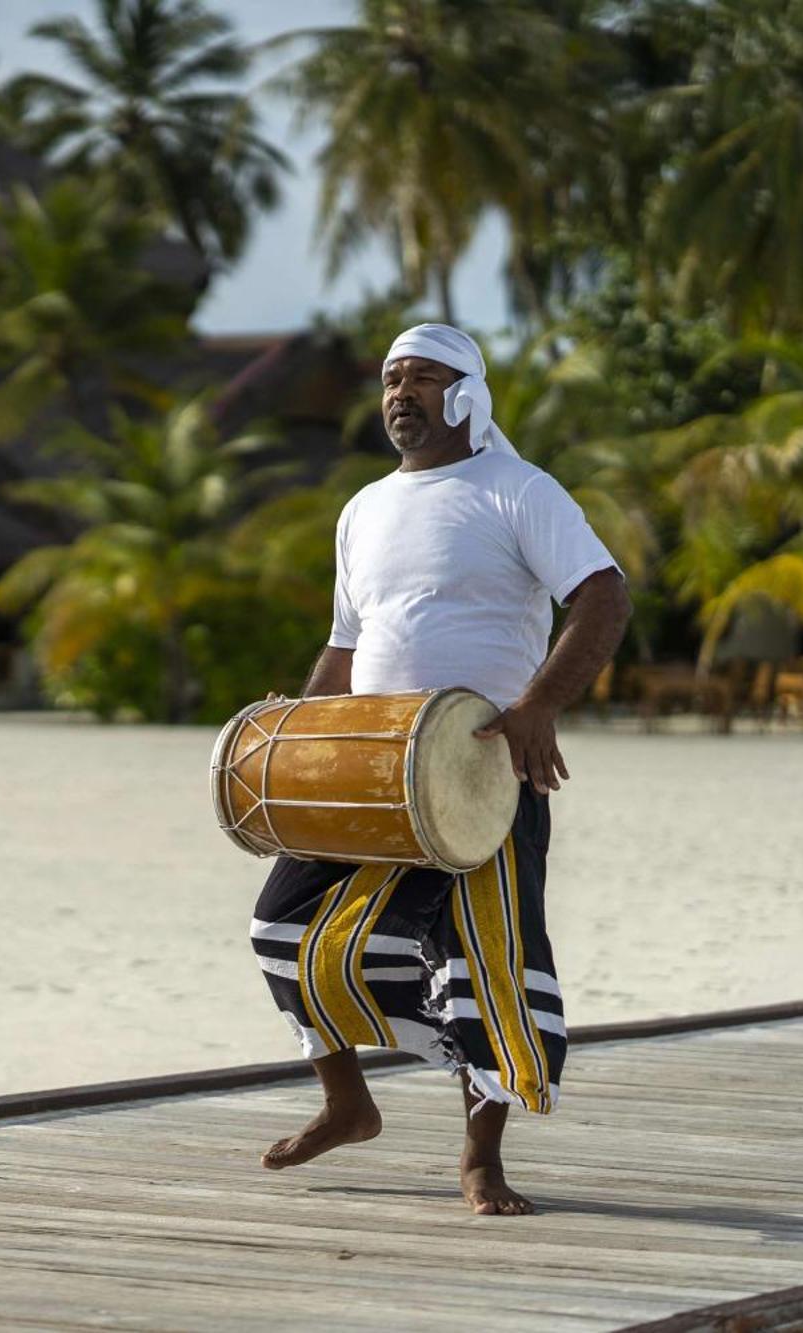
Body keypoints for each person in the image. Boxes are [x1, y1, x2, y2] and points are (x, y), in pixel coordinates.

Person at [248, 323, 631, 1216]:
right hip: (370, 773)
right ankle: (348, 1101)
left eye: (421, 377)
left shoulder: (519, 491)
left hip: (481, 775)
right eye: (390, 379)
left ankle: (479, 1160)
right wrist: (299, 735)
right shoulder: (362, 509)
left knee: (483, 964)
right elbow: (346, 645)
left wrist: (538, 706)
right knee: (281, 927)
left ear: (466, 394)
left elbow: (604, 594)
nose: (399, 393)